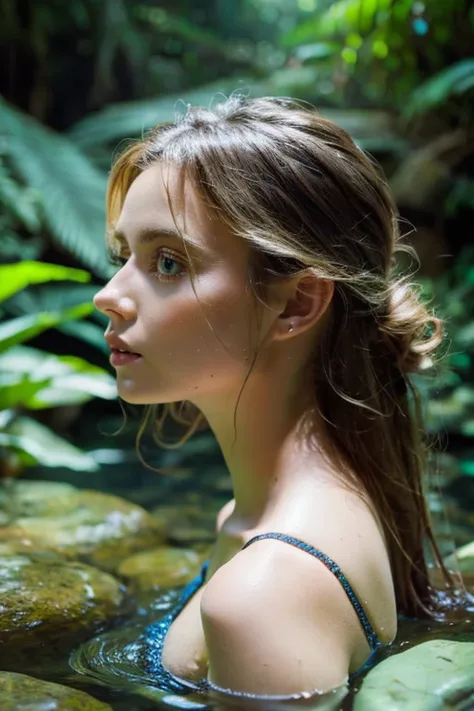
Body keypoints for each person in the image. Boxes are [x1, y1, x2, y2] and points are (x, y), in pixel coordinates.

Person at [93, 95, 455, 700]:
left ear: (296, 303)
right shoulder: (305, 506)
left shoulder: (264, 595)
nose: (109, 294)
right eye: (122, 256)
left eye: (166, 261)